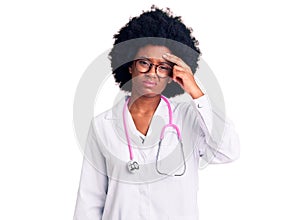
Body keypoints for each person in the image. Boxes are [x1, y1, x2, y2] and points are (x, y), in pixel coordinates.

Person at [73, 5, 240, 220]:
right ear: (130, 66)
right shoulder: (102, 125)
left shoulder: (189, 118)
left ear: (172, 73)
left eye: (163, 67)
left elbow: (228, 151)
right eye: (144, 63)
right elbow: (90, 201)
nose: (152, 73)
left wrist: (195, 90)